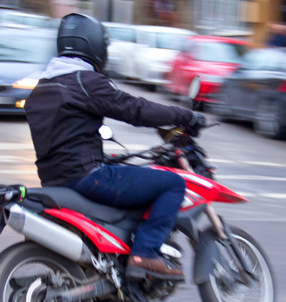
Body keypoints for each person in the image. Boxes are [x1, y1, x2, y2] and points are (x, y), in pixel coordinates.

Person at [24, 13, 206, 282]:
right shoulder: (86, 82)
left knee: (128, 173)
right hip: (87, 179)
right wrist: (185, 116)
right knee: (172, 184)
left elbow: (67, 139)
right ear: (95, 45)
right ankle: (145, 254)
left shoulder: (43, 87)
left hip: (56, 181)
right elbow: (137, 110)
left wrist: (107, 158)